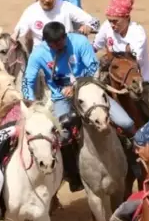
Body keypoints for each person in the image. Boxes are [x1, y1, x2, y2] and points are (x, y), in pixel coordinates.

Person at [23, 21, 136, 192]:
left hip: (90, 91)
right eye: (53, 44)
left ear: (65, 37)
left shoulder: (79, 42)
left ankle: (133, 161)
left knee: (126, 122)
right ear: (47, 42)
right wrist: (30, 102)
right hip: (61, 98)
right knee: (64, 134)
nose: (58, 46)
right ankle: (72, 174)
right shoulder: (38, 54)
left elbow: (93, 68)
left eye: (60, 42)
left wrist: (76, 86)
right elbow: (28, 80)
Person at [93, 0, 149, 120]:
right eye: (110, 20)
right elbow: (94, 47)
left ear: (126, 17)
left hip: (138, 81)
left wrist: (109, 57)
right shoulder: (106, 27)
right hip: (110, 78)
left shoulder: (137, 33)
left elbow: (132, 59)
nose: (112, 25)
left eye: (115, 21)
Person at [14, 0, 99, 50]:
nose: (47, 0)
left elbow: (95, 22)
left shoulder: (66, 7)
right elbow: (18, 32)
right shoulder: (30, 11)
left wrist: (88, 26)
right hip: (41, 55)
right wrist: (14, 36)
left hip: (65, 52)